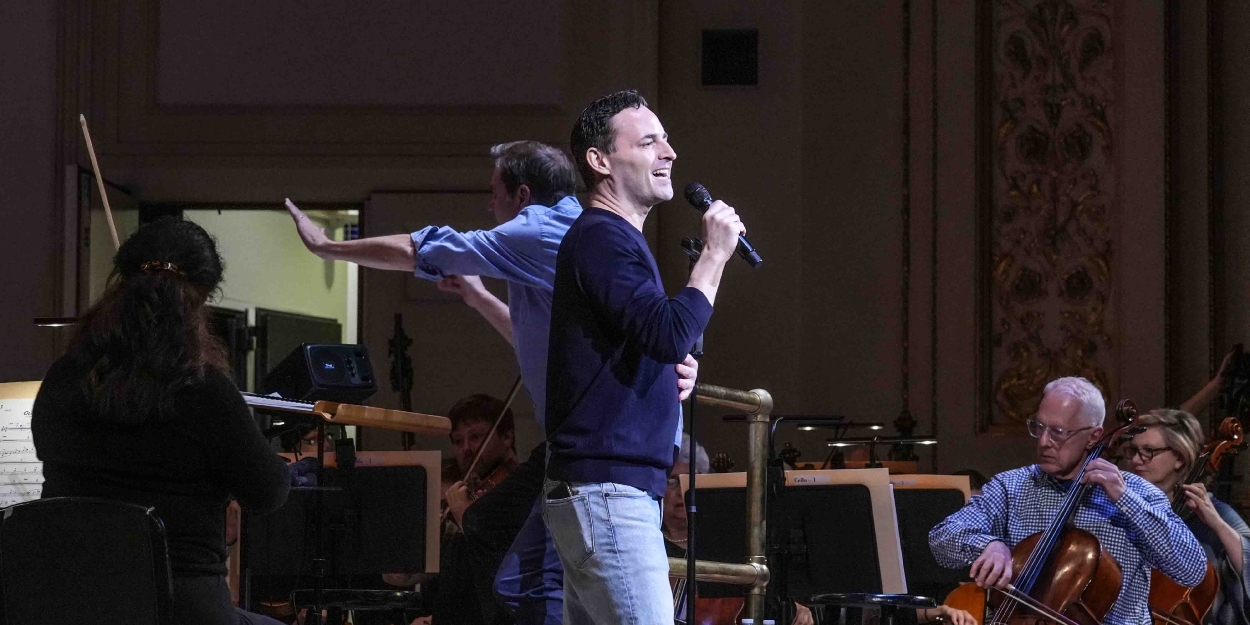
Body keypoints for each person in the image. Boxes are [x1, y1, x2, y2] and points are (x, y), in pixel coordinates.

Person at [286, 141, 698, 625]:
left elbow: (429, 247)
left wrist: (327, 247)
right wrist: (478, 297)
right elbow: (542, 346)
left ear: (522, 195)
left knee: (519, 566)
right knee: (515, 573)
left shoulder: (540, 228)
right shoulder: (571, 233)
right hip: (611, 442)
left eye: (493, 193)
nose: (488, 206)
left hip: (597, 448)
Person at [542, 89, 742, 624]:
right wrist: (715, 256)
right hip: (609, 496)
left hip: (609, 494)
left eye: (667, 140)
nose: (669, 152)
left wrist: (663, 372)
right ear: (600, 160)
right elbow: (668, 330)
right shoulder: (602, 238)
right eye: (650, 141)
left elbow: (652, 338)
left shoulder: (613, 241)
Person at [31, 218, 290, 625]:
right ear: (202, 299)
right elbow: (267, 493)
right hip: (181, 604)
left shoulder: (63, 377)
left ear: (120, 282)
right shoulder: (205, 390)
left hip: (68, 600)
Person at [928, 376, 1208, 624]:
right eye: (1039, 427)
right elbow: (942, 538)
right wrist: (990, 545)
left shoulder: (1138, 493)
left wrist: (1125, 500)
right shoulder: (1010, 486)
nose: (1044, 442)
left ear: (1094, 436)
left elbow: (1191, 570)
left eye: (1058, 432)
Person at [1123, 408, 1250, 624]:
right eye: (1133, 450)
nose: (1136, 460)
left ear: (1179, 458)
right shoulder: (1126, 505)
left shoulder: (1213, 511)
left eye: (1148, 451)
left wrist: (1217, 525)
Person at [431, 394, 520, 625]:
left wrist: (467, 517)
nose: (466, 449)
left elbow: (503, 563)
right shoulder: (464, 493)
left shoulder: (521, 490)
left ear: (507, 436)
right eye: (458, 441)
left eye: (475, 437)